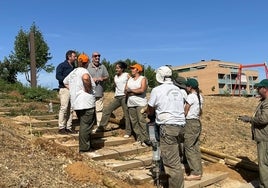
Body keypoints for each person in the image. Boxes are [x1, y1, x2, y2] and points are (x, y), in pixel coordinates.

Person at [147, 66, 185, 188]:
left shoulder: (157, 90)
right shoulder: (179, 90)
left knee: (172, 165)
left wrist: (149, 113)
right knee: (175, 158)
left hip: (167, 127)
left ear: (160, 77)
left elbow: (150, 109)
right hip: (181, 127)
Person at [238, 79, 268, 188]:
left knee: (264, 164)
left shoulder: (267, 102)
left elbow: (264, 119)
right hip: (265, 136)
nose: (257, 90)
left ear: (265, 89)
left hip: (265, 137)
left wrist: (249, 119)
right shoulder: (264, 101)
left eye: (259, 88)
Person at [63, 53, 96, 152]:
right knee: (86, 126)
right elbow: (85, 78)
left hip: (77, 103)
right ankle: (84, 148)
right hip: (86, 102)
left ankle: (87, 145)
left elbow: (65, 82)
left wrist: (74, 90)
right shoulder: (84, 71)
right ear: (87, 62)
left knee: (83, 125)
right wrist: (88, 88)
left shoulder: (73, 72)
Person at [95, 61, 132, 137]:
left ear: (122, 69)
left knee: (126, 114)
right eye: (116, 68)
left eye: (118, 68)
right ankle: (101, 127)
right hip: (117, 97)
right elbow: (115, 86)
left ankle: (128, 132)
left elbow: (132, 83)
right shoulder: (115, 77)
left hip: (124, 97)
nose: (116, 69)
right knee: (106, 110)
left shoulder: (126, 75)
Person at [184, 78, 204, 181]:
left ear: (190, 87)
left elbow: (186, 111)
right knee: (195, 147)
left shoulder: (190, 96)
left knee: (188, 147)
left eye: (187, 86)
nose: (186, 88)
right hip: (197, 122)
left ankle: (195, 172)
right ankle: (199, 170)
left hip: (190, 123)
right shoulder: (200, 96)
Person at [125, 63, 149, 146]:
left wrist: (131, 90)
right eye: (131, 68)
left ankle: (145, 140)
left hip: (140, 103)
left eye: (133, 68)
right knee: (134, 122)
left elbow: (142, 90)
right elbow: (125, 90)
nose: (131, 70)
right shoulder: (130, 79)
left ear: (138, 70)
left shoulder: (143, 79)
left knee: (142, 121)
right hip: (131, 103)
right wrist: (134, 91)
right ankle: (139, 139)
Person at [55, 50, 76, 134]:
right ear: (69, 57)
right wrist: (66, 83)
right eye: (74, 56)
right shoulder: (62, 65)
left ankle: (68, 127)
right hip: (64, 89)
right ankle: (61, 127)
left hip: (72, 90)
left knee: (71, 109)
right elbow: (58, 76)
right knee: (64, 108)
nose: (75, 58)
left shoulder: (74, 67)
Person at [87, 52, 109, 128]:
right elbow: (83, 77)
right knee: (89, 110)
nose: (97, 58)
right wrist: (91, 79)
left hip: (99, 92)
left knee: (99, 110)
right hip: (89, 92)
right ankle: (90, 126)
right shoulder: (88, 66)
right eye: (95, 56)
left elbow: (107, 76)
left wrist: (102, 78)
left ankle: (100, 127)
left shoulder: (102, 66)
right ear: (92, 57)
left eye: (99, 56)